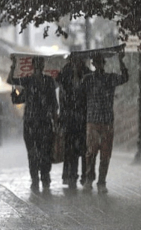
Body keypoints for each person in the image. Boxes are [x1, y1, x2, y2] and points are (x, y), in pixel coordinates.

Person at [7, 56, 58, 192]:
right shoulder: (28, 81)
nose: (39, 66)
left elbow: (53, 103)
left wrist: (55, 120)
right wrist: (13, 65)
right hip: (31, 123)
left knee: (45, 152)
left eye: (40, 64)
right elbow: (11, 81)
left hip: (45, 122)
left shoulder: (48, 81)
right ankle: (35, 179)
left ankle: (45, 178)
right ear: (34, 65)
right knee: (33, 153)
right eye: (37, 64)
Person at [81, 51, 129, 194]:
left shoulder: (110, 78)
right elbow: (78, 89)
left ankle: (101, 182)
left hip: (107, 121)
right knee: (91, 152)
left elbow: (125, 77)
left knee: (105, 154)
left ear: (103, 63)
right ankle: (89, 179)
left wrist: (121, 61)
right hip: (93, 121)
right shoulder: (88, 79)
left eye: (100, 62)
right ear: (93, 64)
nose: (98, 65)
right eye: (96, 62)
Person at [56, 55, 91, 189]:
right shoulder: (66, 72)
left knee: (83, 149)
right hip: (70, 118)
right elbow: (62, 89)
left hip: (83, 117)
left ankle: (84, 176)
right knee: (71, 149)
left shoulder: (87, 73)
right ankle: (71, 176)